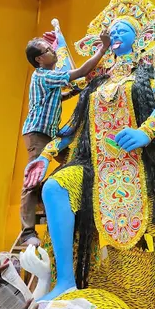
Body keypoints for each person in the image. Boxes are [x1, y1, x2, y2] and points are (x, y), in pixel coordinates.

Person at [23, 0, 155, 309]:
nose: (115, 33)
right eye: (111, 31)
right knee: (54, 188)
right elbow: (73, 125)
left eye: (122, 29)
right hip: (97, 169)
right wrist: (45, 156)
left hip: (144, 167)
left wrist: (145, 131)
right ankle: (66, 279)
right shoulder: (96, 81)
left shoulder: (149, 71)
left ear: (138, 37)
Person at [20, 29, 111, 246]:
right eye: (48, 50)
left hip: (51, 134)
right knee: (33, 179)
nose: (53, 51)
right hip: (38, 134)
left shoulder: (46, 78)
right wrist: (103, 48)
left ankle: (62, 199)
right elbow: (78, 72)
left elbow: (59, 95)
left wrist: (81, 91)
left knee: (74, 161)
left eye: (51, 47)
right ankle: (27, 232)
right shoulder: (43, 75)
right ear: (39, 59)